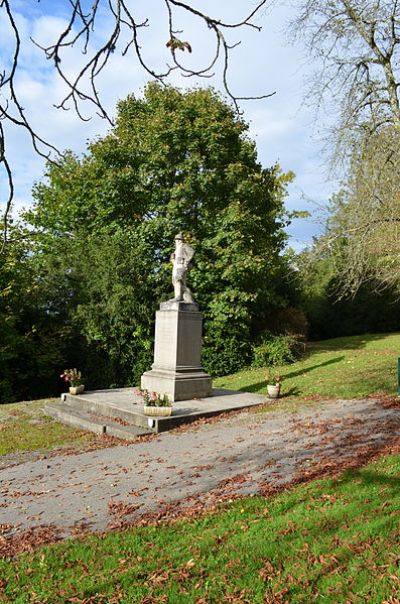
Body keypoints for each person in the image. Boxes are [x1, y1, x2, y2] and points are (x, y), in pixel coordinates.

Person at [171, 233, 195, 303]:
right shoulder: (176, 249)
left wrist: (186, 262)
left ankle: (178, 297)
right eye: (176, 240)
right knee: (177, 282)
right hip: (176, 266)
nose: (177, 241)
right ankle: (188, 299)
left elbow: (191, 252)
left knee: (178, 279)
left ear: (181, 240)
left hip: (181, 265)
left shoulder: (184, 246)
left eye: (179, 239)